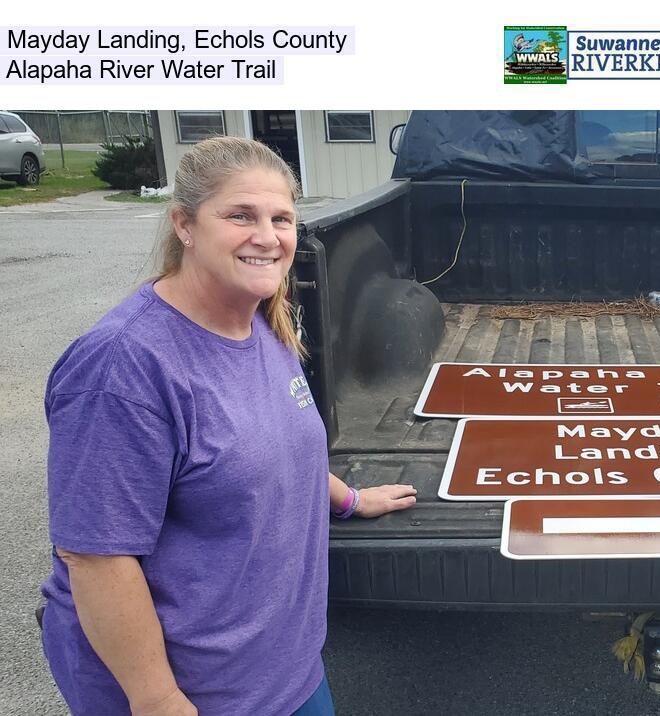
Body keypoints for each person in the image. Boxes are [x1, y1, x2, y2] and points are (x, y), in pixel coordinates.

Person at [40, 136, 418, 715]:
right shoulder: (122, 368)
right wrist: (158, 699)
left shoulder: (260, 323)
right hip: (194, 692)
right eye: (240, 215)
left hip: (286, 670)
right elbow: (95, 558)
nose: (266, 236)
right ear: (184, 226)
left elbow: (281, 447)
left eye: (281, 218)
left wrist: (349, 499)